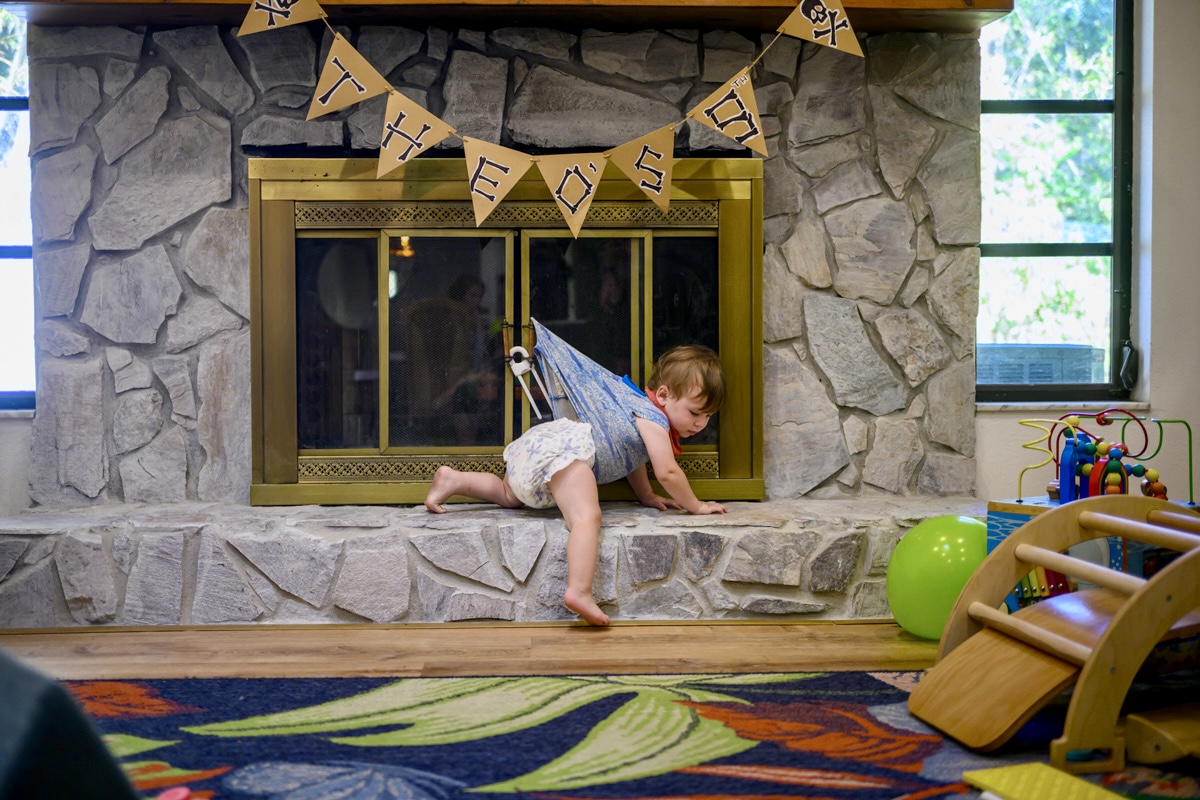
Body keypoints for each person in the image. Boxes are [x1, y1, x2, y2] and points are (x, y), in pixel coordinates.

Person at [424, 343, 728, 626]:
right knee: (586, 518)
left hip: (538, 447)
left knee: (508, 495)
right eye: (694, 412)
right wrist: (696, 506)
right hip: (567, 454)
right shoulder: (654, 421)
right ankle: (579, 591)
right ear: (663, 395)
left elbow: (631, 456)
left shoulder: (635, 405)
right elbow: (668, 473)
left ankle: (454, 479)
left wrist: (645, 494)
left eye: (708, 416)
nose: (700, 423)